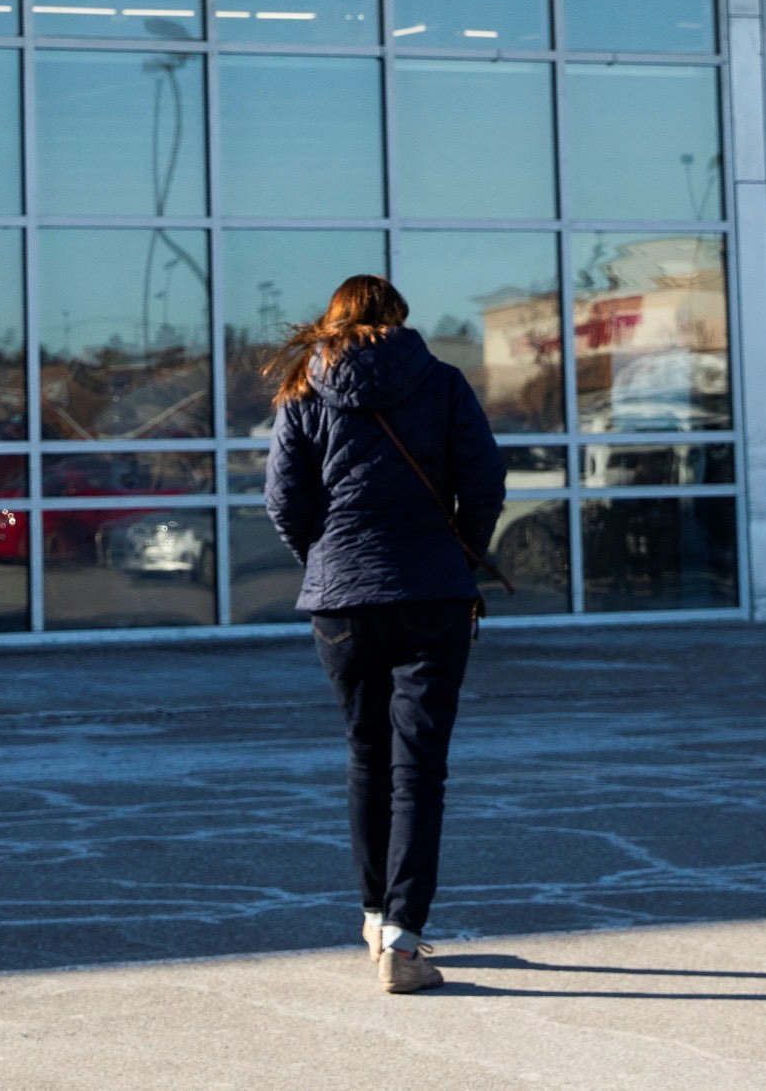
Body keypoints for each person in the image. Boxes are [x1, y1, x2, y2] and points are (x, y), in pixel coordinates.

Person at [264, 272, 504, 996]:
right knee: (418, 765)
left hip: (342, 601)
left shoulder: (304, 389)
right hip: (432, 590)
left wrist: (329, 560)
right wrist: (462, 548)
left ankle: (374, 917)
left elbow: (283, 498)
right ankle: (402, 938)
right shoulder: (441, 379)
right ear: (398, 317)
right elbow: (485, 478)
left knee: (366, 753)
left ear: (333, 318)